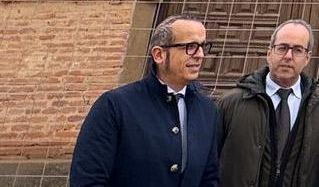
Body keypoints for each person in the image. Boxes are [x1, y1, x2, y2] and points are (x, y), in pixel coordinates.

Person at [69, 13, 221, 187]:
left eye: (202, 46)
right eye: (191, 46)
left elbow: (209, 178)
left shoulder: (207, 110)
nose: (200, 55)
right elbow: (88, 179)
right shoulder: (116, 106)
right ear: (158, 55)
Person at [216, 19, 319, 187]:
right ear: (269, 52)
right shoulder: (232, 103)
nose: (288, 56)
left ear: (307, 58)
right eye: (282, 48)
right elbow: (211, 162)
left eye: (298, 50)